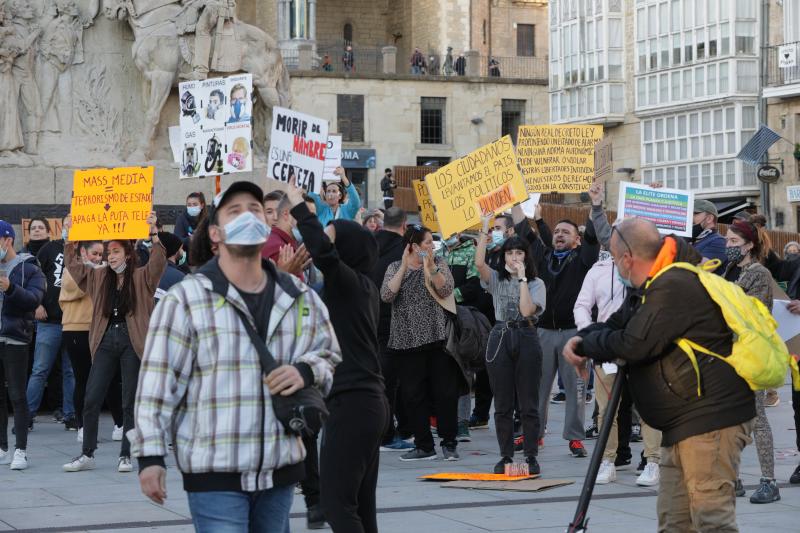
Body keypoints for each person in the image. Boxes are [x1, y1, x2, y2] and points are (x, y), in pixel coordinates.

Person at [130, 181, 340, 532]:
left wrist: (305, 370)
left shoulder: (298, 295)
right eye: (234, 211)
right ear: (215, 233)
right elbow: (157, 382)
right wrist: (150, 457)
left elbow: (329, 355)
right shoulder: (186, 299)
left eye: (255, 209)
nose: (247, 216)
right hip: (215, 470)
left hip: (279, 467)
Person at [563, 218, 756, 532]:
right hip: (683, 421)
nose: (613, 265)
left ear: (627, 259)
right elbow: (617, 325)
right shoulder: (651, 284)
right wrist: (584, 339)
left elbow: (634, 343)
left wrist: (587, 345)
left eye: (613, 258)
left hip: (711, 420)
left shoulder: (674, 284)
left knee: (711, 520)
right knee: (674, 520)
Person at [287, 177, 387, 533]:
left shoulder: (352, 284)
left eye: (331, 237)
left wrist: (299, 205)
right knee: (360, 506)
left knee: (337, 505)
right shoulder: (356, 288)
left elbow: (324, 254)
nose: (319, 243)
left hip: (355, 402)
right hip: (362, 402)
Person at [61, 212, 166, 474]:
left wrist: (153, 234)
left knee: (129, 400)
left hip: (132, 340)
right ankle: (87, 453)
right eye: (109, 252)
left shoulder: (142, 277)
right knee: (92, 397)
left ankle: (125, 455)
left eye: (116, 251)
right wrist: (70, 238)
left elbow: (159, 262)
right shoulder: (98, 277)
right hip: (106, 339)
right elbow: (74, 267)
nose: (111, 256)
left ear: (128, 254)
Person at [381, 224, 463, 462]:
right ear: (414, 246)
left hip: (437, 339)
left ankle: (449, 443)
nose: (431, 246)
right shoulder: (395, 267)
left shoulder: (439, 264)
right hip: (405, 342)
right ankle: (424, 445)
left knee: (444, 394)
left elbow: (447, 289)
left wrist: (431, 268)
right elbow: (386, 295)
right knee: (412, 396)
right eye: (427, 243)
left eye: (431, 243)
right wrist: (406, 266)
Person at [475, 215, 546, 475]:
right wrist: (484, 229)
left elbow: (527, 310)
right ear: (503, 256)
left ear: (526, 257)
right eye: (510, 253)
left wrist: (523, 278)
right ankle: (506, 456)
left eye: (519, 253)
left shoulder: (537, 284)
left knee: (528, 403)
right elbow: (479, 263)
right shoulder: (496, 279)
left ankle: (530, 456)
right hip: (500, 336)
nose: (514, 257)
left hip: (526, 336)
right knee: (502, 403)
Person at [531, 199, 600, 458]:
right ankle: (534, 435)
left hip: (574, 334)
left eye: (566, 232)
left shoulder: (584, 259)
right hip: (544, 332)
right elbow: (528, 233)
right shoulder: (544, 256)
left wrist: (595, 206)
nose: (559, 235)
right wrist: (533, 216)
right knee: (538, 387)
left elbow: (592, 237)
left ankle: (575, 438)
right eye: (557, 231)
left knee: (576, 390)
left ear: (577, 240)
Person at [723, 220, 780, 504]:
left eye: (734, 242)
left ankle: (769, 481)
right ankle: (733, 479)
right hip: (733, 354)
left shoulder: (758, 273)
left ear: (748, 245)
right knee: (732, 419)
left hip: (751, 355)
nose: (728, 246)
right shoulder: (734, 271)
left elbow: (753, 314)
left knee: (757, 419)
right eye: (727, 241)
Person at [60, 240, 124, 445]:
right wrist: (93, 269)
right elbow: (76, 287)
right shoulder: (73, 269)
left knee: (111, 378)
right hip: (76, 329)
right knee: (83, 379)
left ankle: (120, 424)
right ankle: (82, 426)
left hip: (100, 329)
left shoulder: (104, 271)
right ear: (82, 252)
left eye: (100, 254)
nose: (98, 258)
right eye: (94, 253)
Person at [0, 220, 45, 470]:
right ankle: (2, 447)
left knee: (17, 395)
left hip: (15, 337)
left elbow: (33, 300)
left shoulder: (28, 268)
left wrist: (10, 289)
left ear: (7, 240)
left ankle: (21, 450)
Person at [26, 215, 78, 430]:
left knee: (71, 372)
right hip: (49, 321)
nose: (69, 226)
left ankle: (70, 415)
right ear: (61, 227)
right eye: (67, 223)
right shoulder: (48, 249)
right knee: (40, 369)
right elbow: (34, 279)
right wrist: (37, 304)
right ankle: (26, 416)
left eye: (74, 223)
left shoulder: (84, 250)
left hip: (74, 321)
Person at [371, 208, 414, 452]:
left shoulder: (370, 244)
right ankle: (387, 434)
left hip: (370, 318)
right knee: (394, 381)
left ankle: (399, 429)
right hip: (395, 320)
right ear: (404, 225)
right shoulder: (404, 250)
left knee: (384, 378)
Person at [691, 199, 727, 268]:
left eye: (695, 213)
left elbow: (700, 268)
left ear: (709, 218)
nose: (690, 218)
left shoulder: (719, 241)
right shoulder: (695, 239)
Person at [154, 232, 187, 302]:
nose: (183, 251)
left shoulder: (145, 273)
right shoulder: (179, 277)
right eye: (181, 248)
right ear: (176, 251)